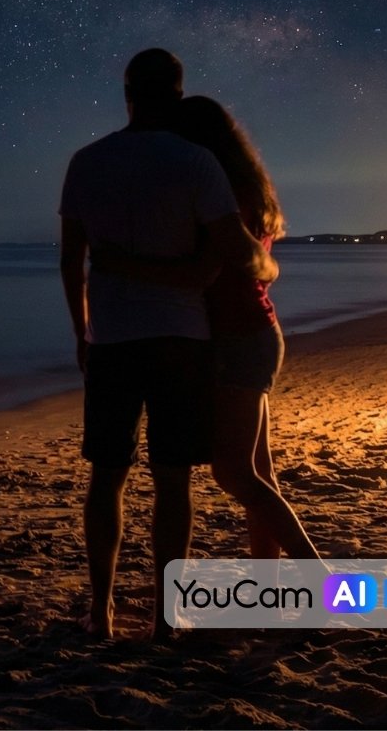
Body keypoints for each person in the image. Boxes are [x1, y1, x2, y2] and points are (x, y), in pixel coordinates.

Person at [58, 48, 276, 640]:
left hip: (113, 339)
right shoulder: (197, 162)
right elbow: (232, 248)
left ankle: (101, 612)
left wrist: (82, 334)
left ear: (126, 94)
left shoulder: (85, 162)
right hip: (183, 338)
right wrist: (261, 266)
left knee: (107, 476)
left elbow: (70, 261)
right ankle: (163, 618)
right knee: (173, 480)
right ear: (177, 96)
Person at [99, 95, 320, 561]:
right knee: (257, 470)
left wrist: (123, 265)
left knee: (233, 473)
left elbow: (200, 273)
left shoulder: (220, 196)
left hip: (239, 338)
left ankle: (320, 581)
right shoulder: (245, 188)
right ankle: (269, 587)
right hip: (254, 332)